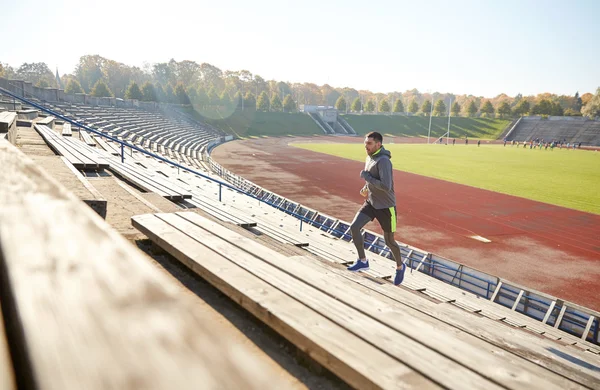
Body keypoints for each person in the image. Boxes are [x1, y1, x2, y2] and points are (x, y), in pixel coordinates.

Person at [347, 131, 405, 285]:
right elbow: (372, 177)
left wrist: (367, 178)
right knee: (354, 227)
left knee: (389, 241)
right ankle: (362, 260)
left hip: (386, 207)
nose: (366, 146)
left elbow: (386, 186)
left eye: (369, 143)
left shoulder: (384, 161)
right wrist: (366, 186)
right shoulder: (370, 157)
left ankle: (400, 266)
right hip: (372, 203)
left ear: (378, 144)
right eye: (365, 143)